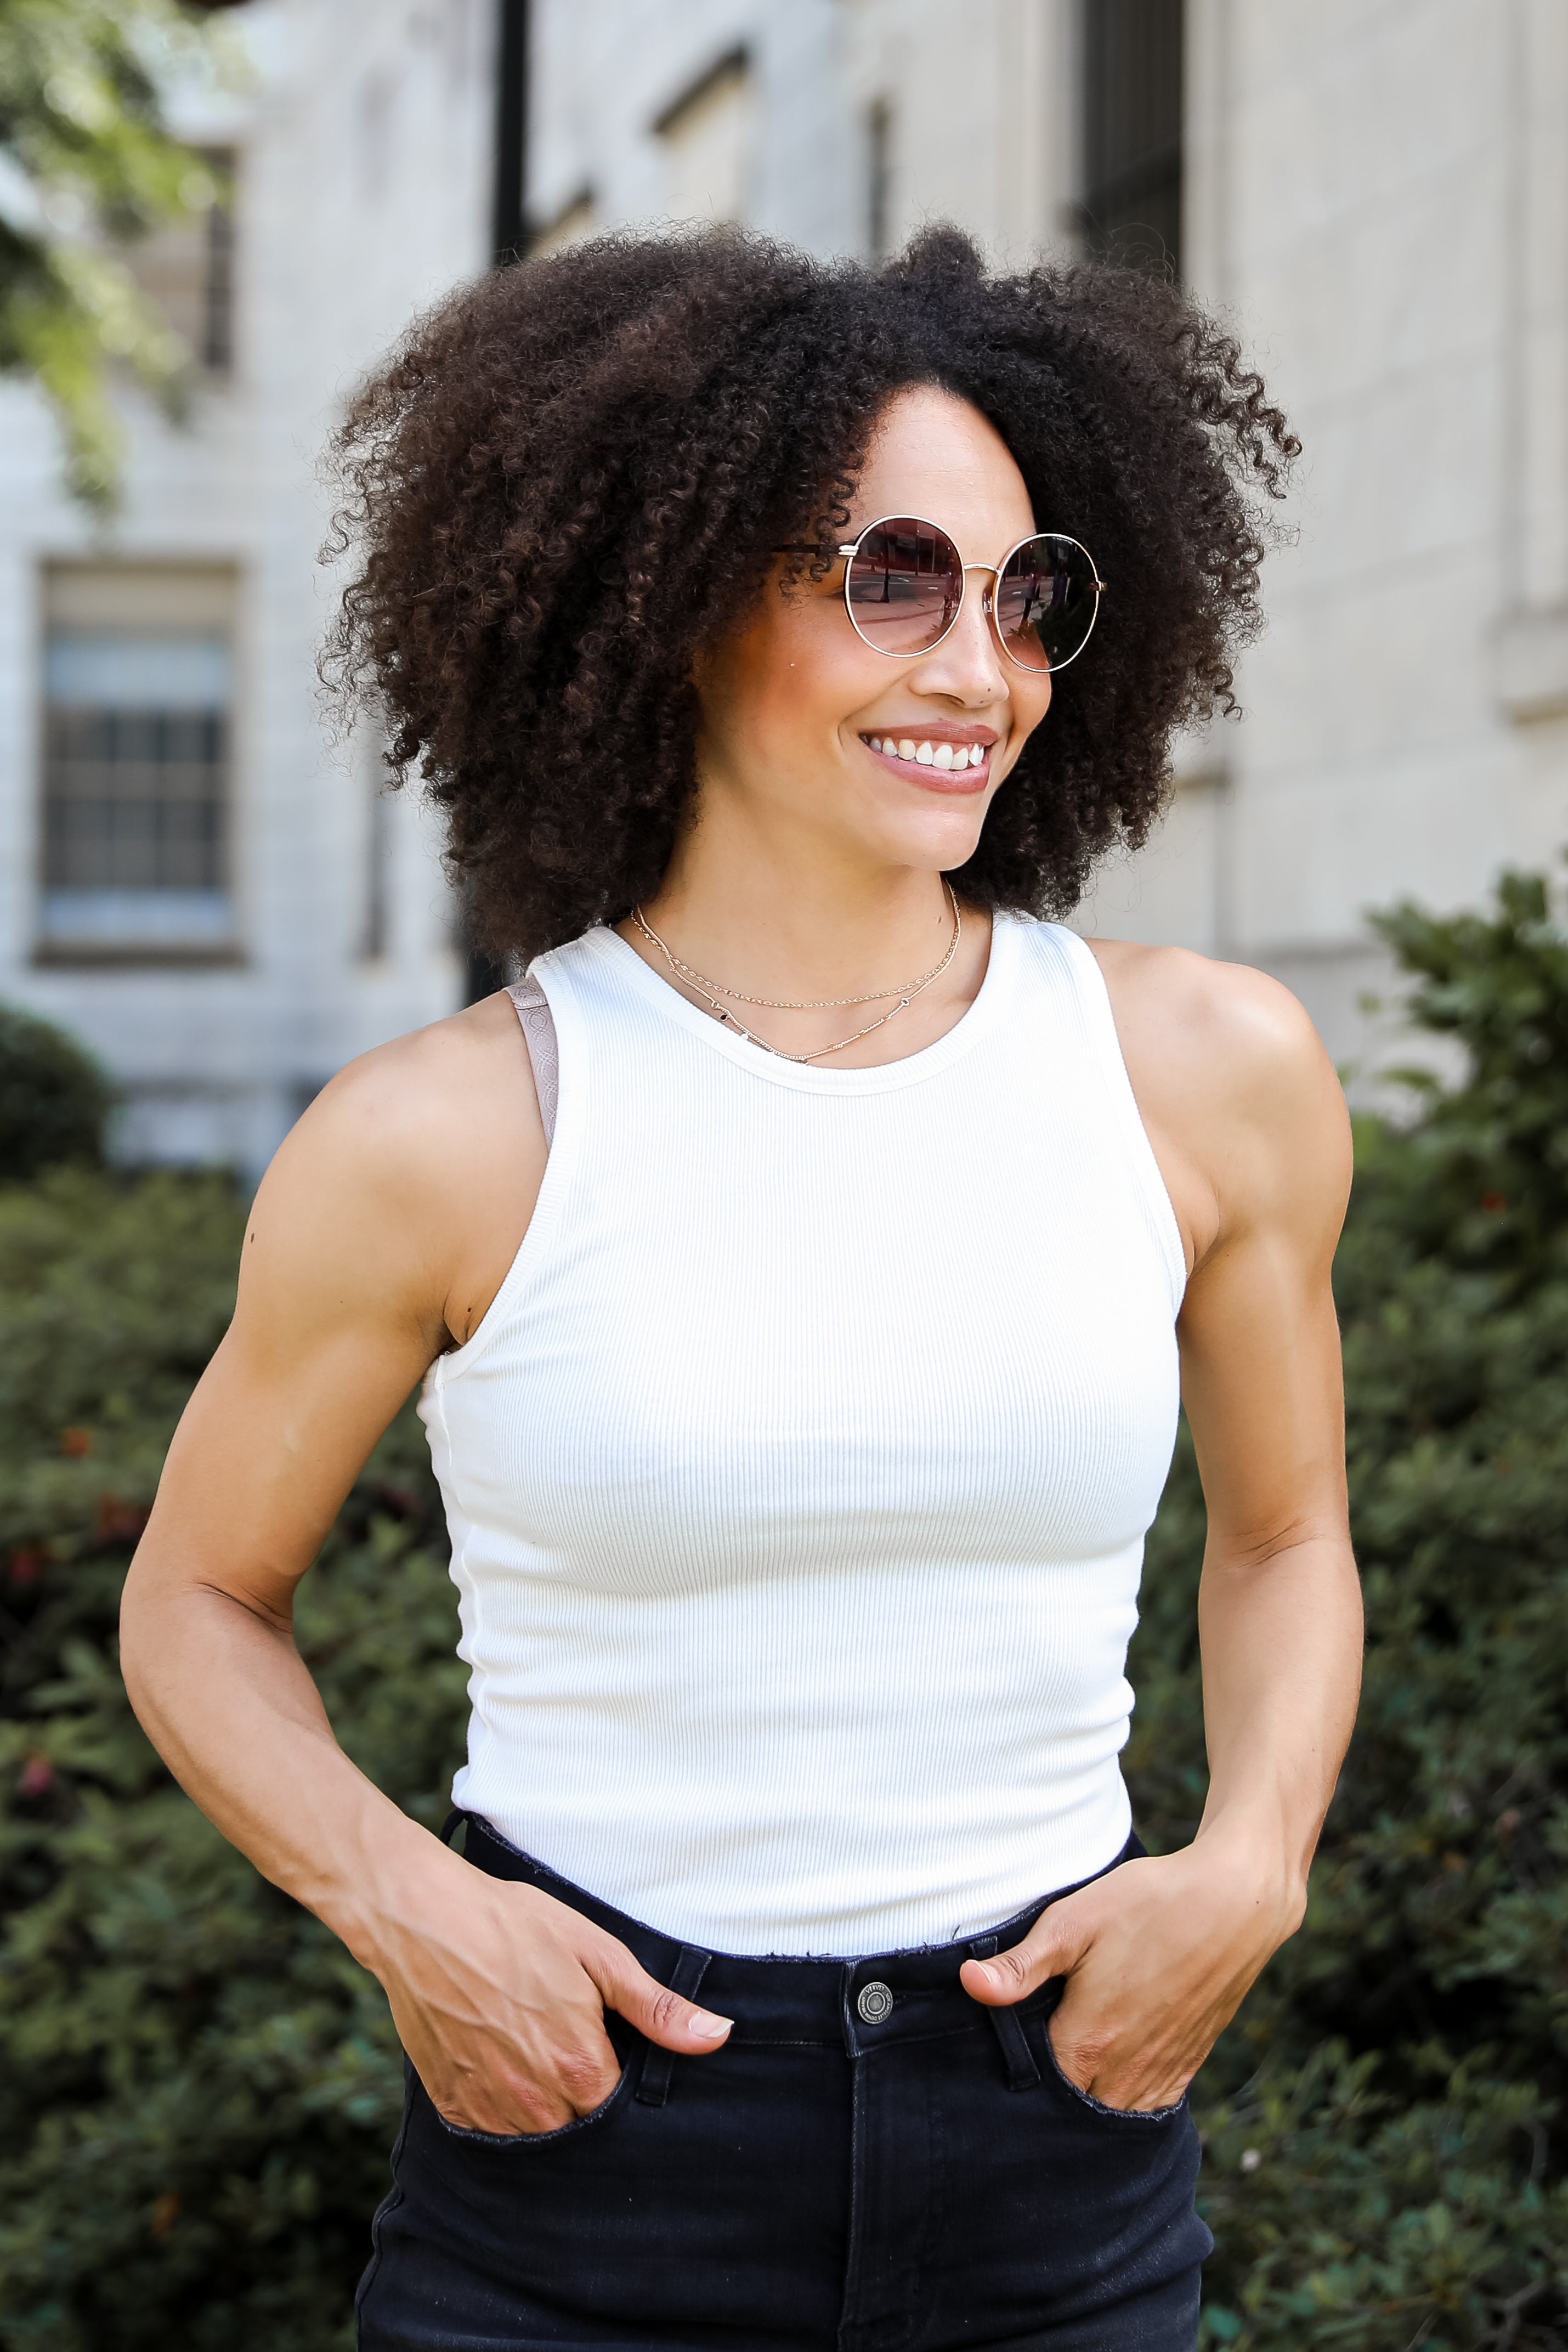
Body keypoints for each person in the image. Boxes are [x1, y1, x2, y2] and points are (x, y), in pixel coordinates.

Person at [120, 227, 1362, 2351]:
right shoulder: (449, 1133)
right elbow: (197, 1601)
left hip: (1049, 2145)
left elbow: (1285, 1534)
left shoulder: (1204, 1070)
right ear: (675, 600)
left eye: (1023, 588)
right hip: (588, 2164)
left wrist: (1250, 1858)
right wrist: (408, 1907)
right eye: (889, 575)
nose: (975, 663)